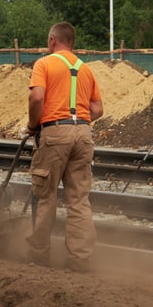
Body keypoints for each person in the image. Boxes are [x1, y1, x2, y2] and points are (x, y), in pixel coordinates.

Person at [25, 21, 103, 272]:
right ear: (72, 42)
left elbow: (37, 97)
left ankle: (39, 255)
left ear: (52, 40)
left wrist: (32, 125)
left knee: (45, 196)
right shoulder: (86, 69)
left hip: (55, 133)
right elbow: (97, 110)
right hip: (83, 133)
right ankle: (80, 259)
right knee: (78, 200)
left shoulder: (44, 64)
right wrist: (78, 121)